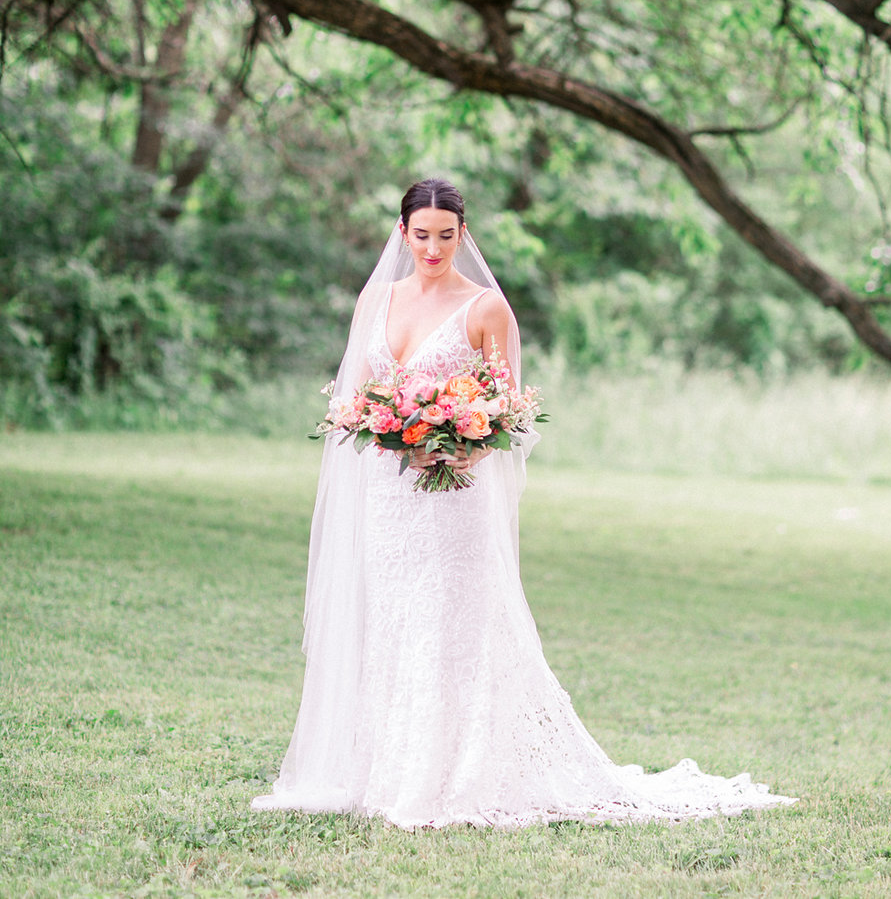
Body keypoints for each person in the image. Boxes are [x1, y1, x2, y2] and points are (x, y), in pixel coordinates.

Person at [252, 178, 795, 827]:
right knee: (396, 619)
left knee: (452, 622)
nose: (432, 247)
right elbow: (359, 394)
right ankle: (388, 766)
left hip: (457, 496)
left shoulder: (485, 309)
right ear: (402, 233)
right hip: (389, 492)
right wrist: (388, 428)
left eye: (445, 236)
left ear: (463, 234)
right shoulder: (377, 298)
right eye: (421, 234)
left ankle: (454, 772)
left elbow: (509, 412)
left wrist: (456, 448)